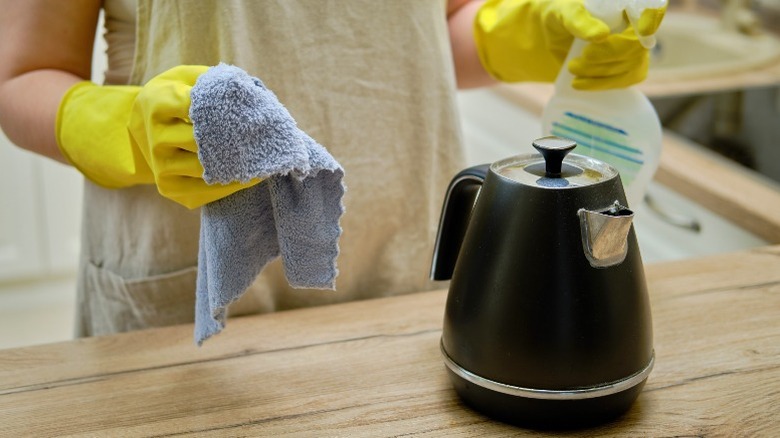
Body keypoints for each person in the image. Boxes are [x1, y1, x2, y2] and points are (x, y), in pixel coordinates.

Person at [0, 0, 664, 338]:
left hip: (408, 275)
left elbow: (438, 26)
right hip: (192, 298)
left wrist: (523, 33)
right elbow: (22, 77)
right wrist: (124, 129)